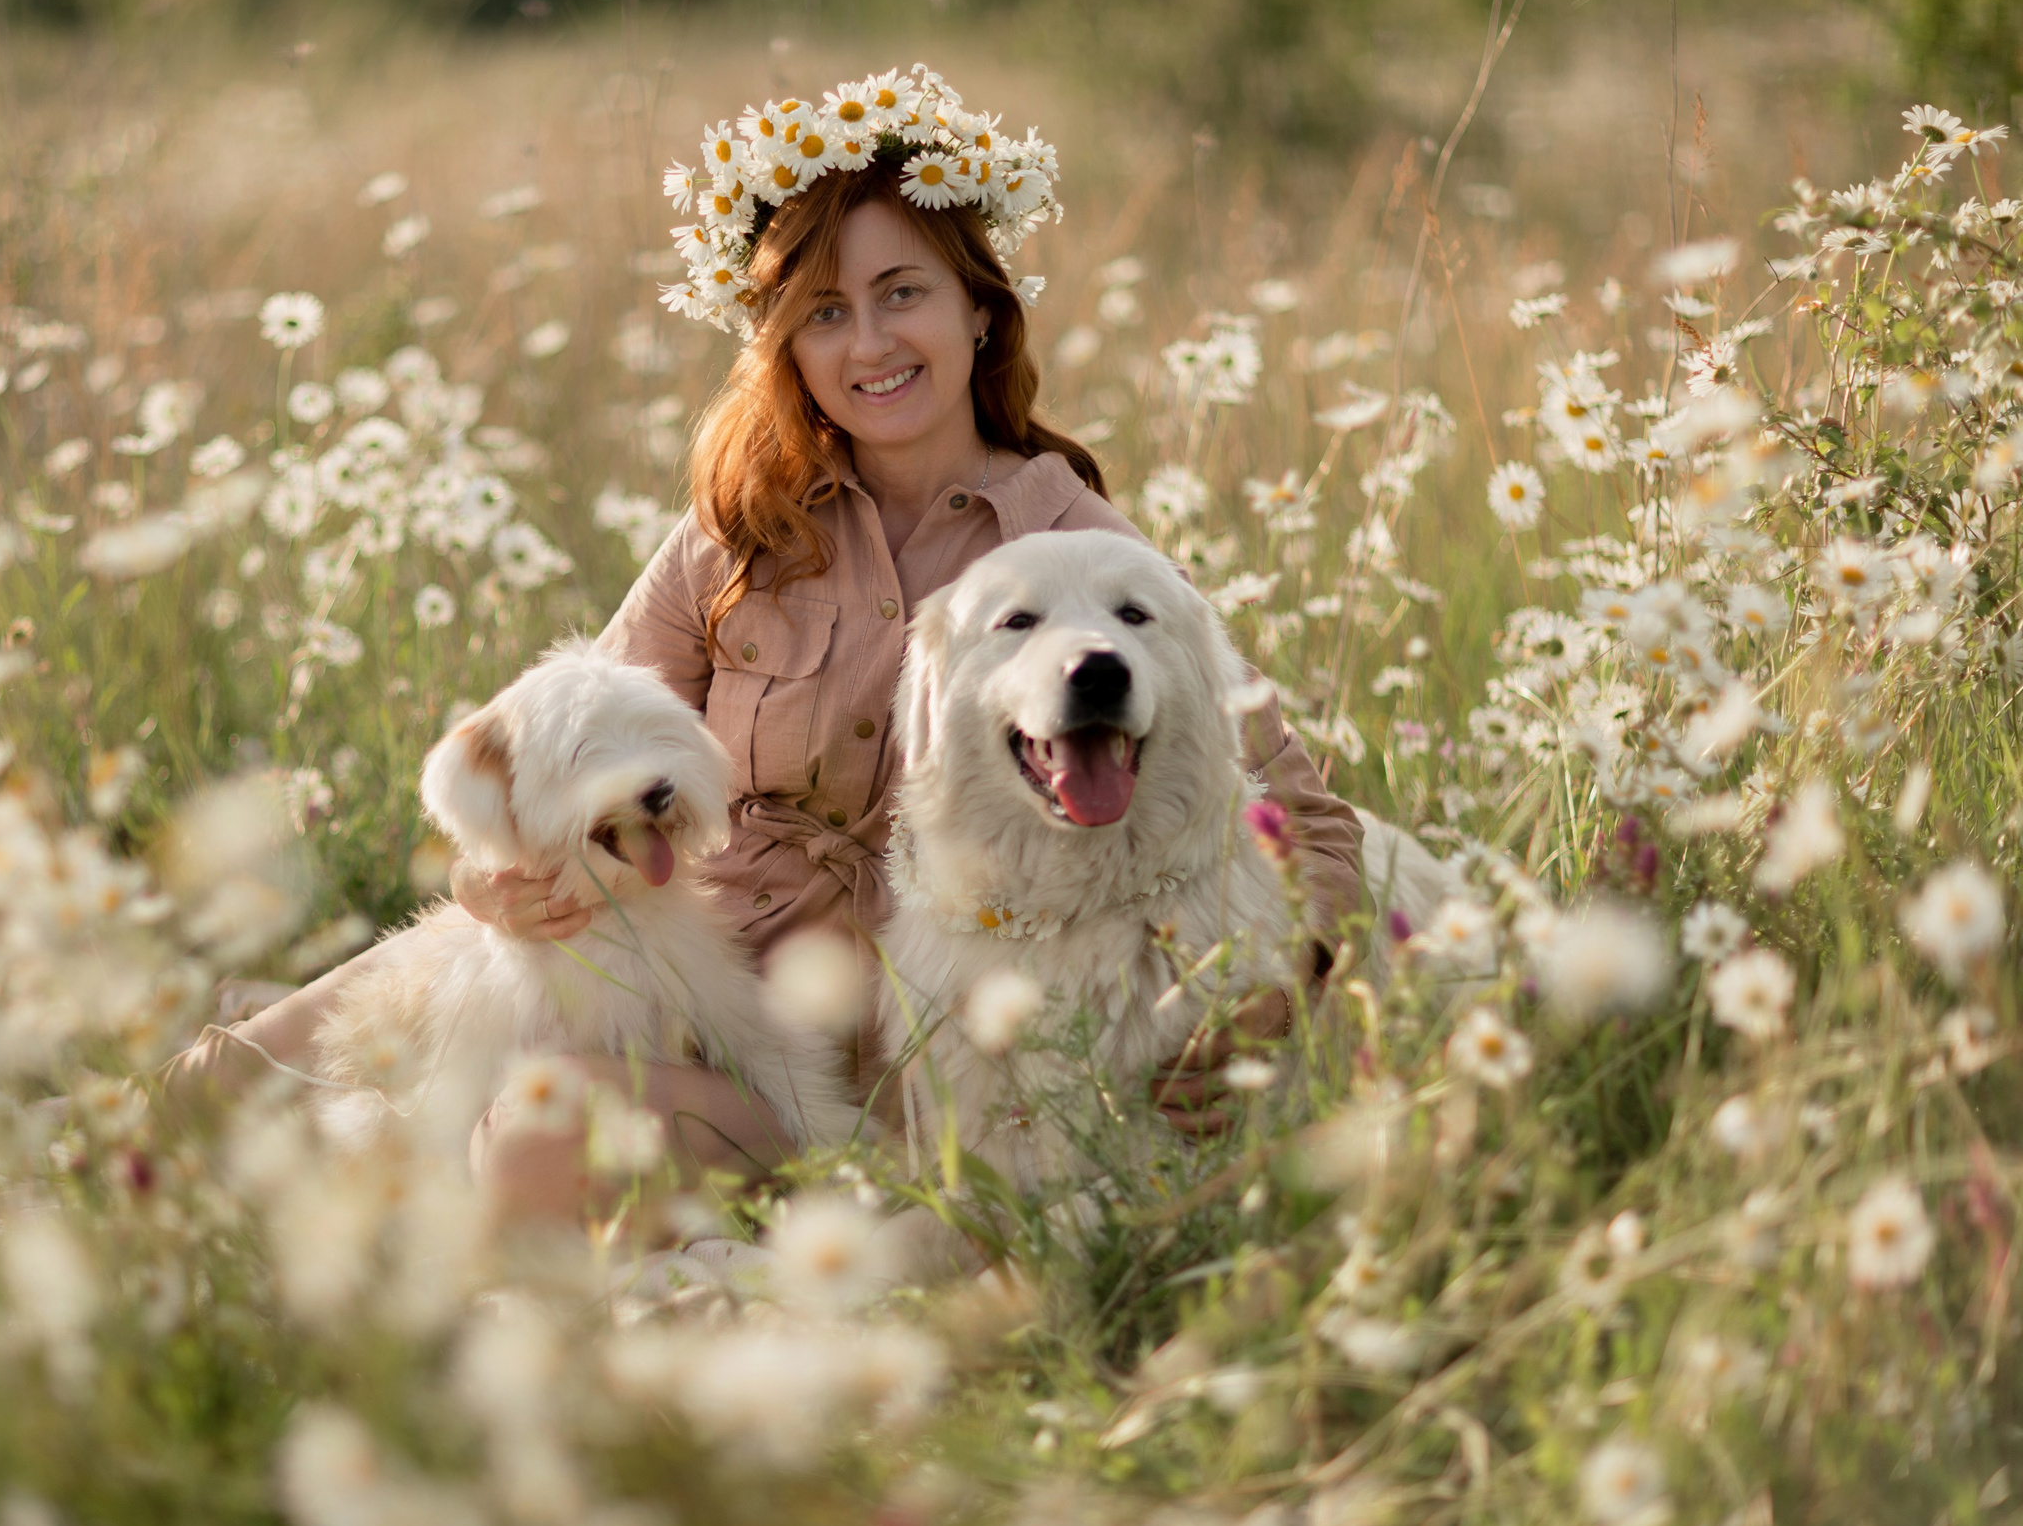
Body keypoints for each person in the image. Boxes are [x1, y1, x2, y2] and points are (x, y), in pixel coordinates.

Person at [169, 66, 1363, 1223]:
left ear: (978, 310)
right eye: (823, 314)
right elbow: (575, 722)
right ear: (785, 347)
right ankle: (180, 1143)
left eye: (904, 292)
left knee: (532, 1141)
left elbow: (1301, 816)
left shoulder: (1077, 555)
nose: (869, 343)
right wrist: (491, 876)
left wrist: (1272, 1003)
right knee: (268, 1057)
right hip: (660, 970)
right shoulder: (742, 527)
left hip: (871, 1064)